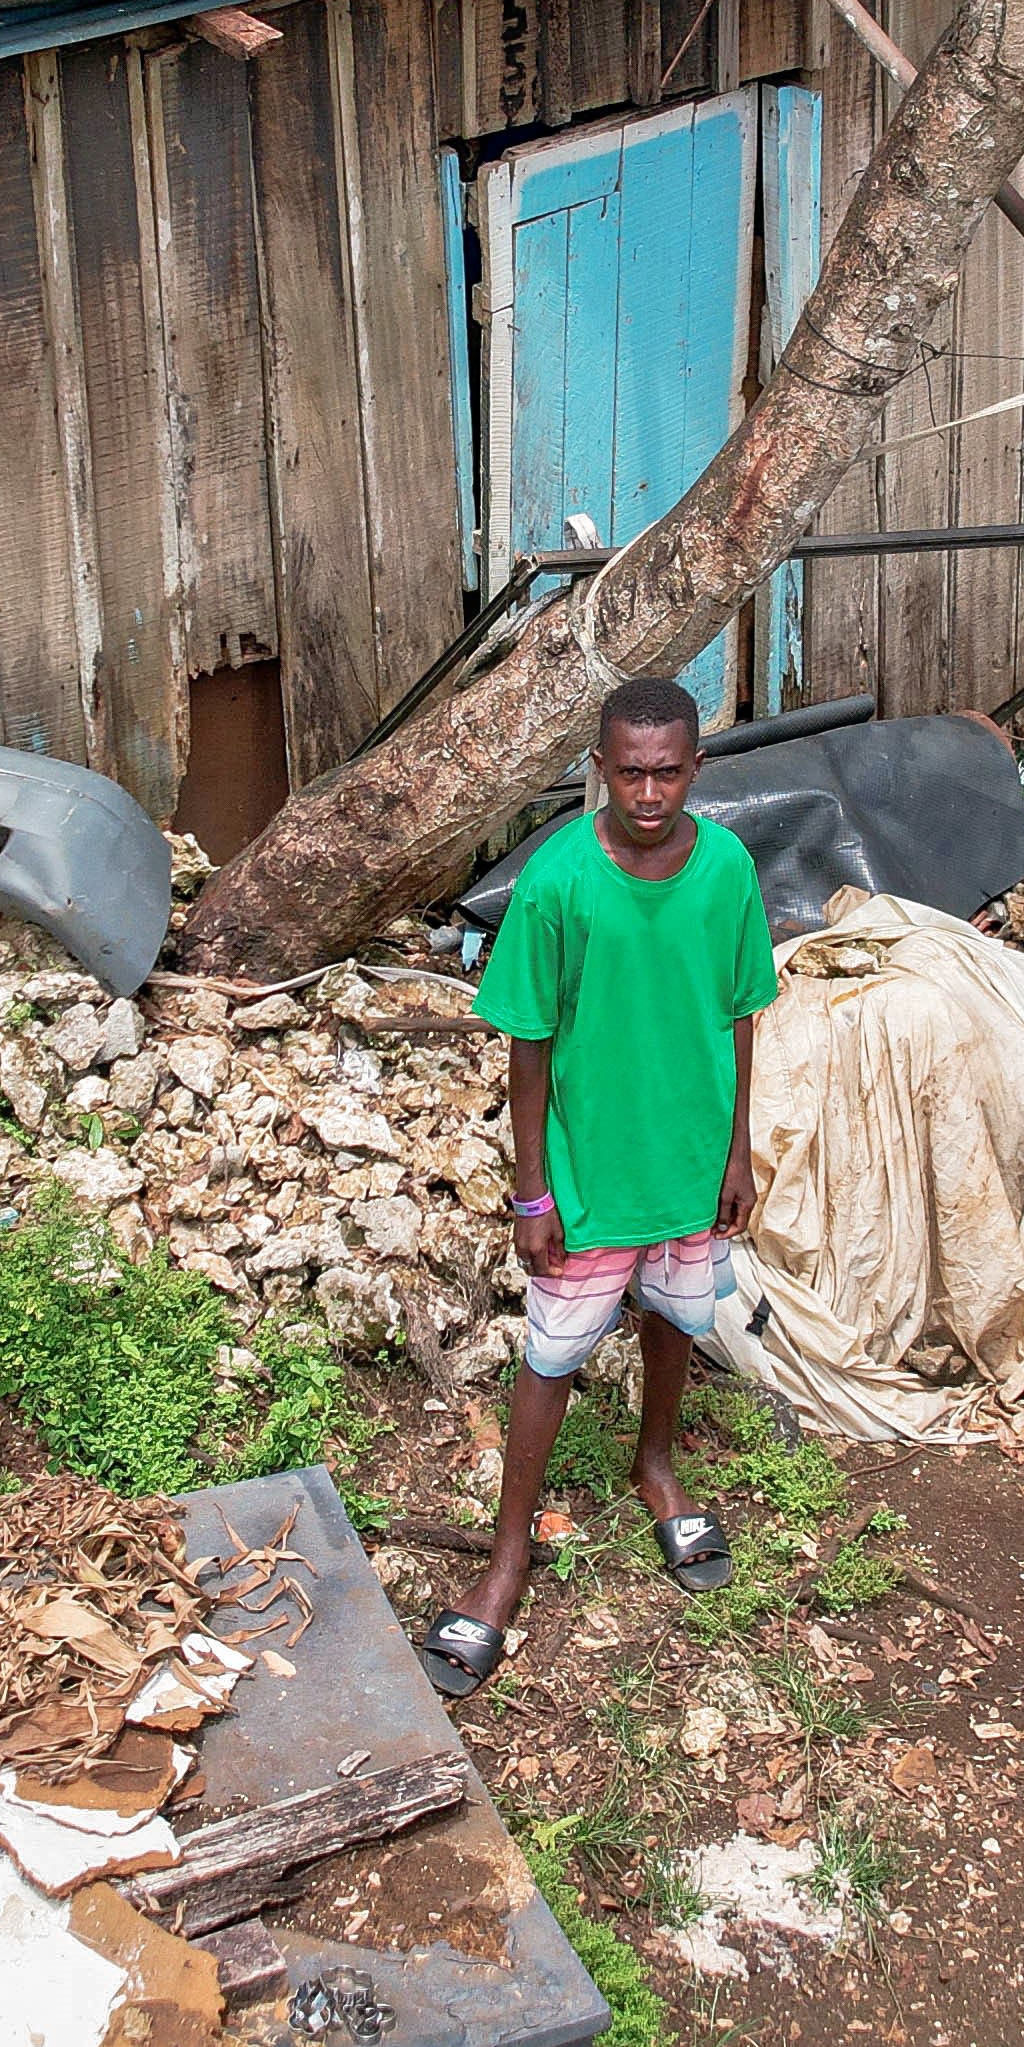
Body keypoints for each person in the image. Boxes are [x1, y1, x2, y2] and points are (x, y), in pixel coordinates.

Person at [414, 675, 776, 1705]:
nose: (650, 793)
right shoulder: (560, 879)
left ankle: (654, 1465)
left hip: (688, 1155)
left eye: (668, 772)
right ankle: (505, 1559)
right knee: (554, 1352)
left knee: (675, 1314)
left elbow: (741, 1012)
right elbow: (527, 1043)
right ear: (599, 771)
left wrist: (735, 1152)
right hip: (588, 1166)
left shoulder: (728, 872)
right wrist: (533, 1188)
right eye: (629, 773)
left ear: (695, 769)